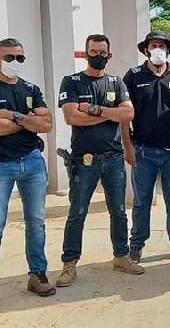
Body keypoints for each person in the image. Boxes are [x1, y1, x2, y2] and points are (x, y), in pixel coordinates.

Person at [56, 34, 144, 287]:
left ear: (109, 55)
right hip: (83, 161)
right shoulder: (71, 82)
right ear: (85, 53)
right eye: (93, 51)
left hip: (114, 158)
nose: (98, 56)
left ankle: (121, 257)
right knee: (78, 212)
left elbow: (128, 113)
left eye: (102, 52)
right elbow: (71, 118)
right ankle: (69, 264)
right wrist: (110, 115)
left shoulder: (116, 82)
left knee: (118, 211)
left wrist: (93, 110)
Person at [121, 31, 170, 263]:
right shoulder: (133, 76)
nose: (157, 49)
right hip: (143, 151)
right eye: (153, 45)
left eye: (162, 45)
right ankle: (137, 244)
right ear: (146, 50)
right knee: (141, 201)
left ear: (168, 49)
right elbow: (123, 113)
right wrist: (127, 146)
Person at [0, 38, 55, 296]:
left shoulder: (30, 88)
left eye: (19, 58)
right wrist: (27, 119)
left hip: (32, 161)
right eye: (9, 58)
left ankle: (37, 274)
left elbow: (46, 125)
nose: (15, 63)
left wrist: (11, 116)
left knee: (36, 221)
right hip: (2, 164)